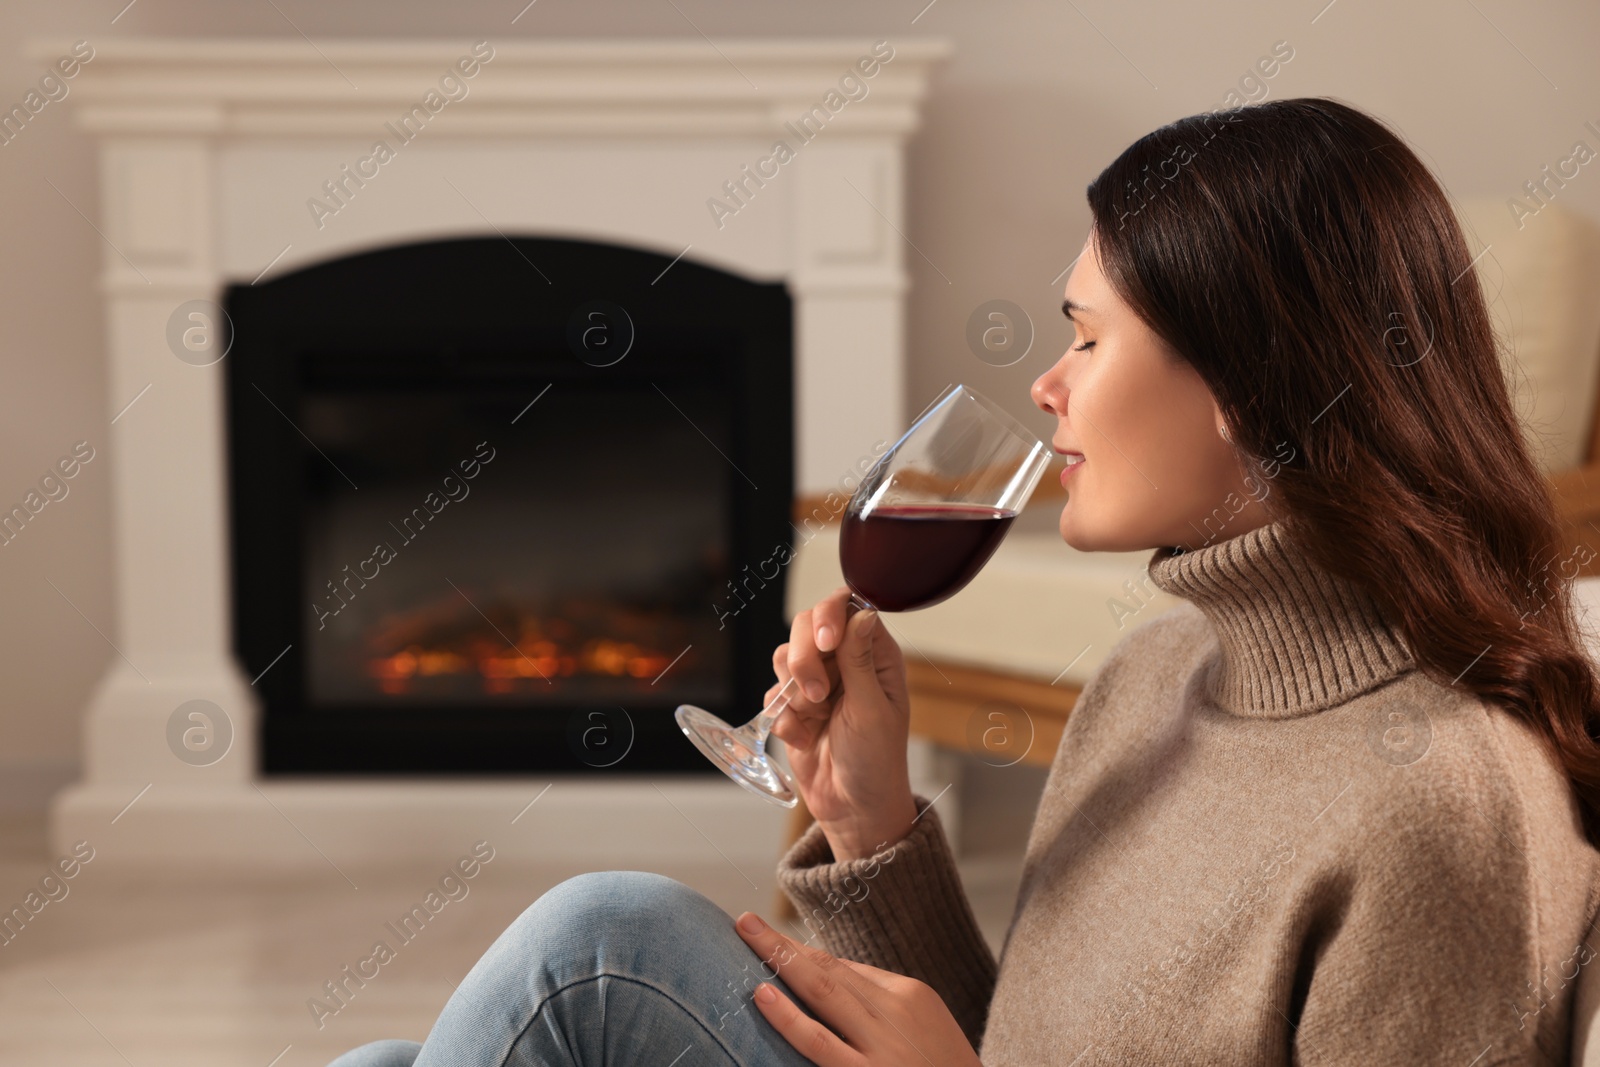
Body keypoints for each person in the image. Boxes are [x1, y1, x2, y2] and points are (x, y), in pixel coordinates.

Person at [327, 96, 1600, 1066]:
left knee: (592, 950)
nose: (1048, 384)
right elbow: (1015, 1038)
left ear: (1250, 383)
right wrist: (872, 818)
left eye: (1090, 336)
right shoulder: (1151, 676)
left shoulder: (1441, 808)